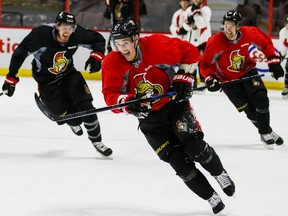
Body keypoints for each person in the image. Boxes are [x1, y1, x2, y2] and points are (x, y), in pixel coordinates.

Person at [101, 17, 235, 215]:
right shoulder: (112, 62)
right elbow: (110, 95)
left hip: (175, 106)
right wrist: (129, 104)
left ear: (136, 39)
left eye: (126, 42)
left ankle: (219, 173)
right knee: (180, 164)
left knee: (195, 148)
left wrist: (184, 76)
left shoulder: (156, 45)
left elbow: (190, 51)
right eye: (118, 43)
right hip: (150, 121)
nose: (122, 48)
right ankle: (210, 197)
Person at [1, 11, 113, 158]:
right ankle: (72, 121)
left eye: (71, 27)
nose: (68, 31)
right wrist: (11, 78)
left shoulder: (76, 34)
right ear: (56, 26)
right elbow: (19, 53)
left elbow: (97, 39)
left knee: (87, 108)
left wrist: (97, 56)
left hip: (69, 75)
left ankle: (97, 142)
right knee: (70, 116)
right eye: (64, 27)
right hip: (46, 81)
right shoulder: (40, 36)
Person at [200, 10, 284, 149]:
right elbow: (205, 65)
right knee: (249, 110)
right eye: (226, 25)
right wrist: (210, 78)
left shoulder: (249, 32)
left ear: (238, 26)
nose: (228, 29)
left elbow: (266, 43)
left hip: (247, 71)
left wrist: (273, 61)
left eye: (232, 25)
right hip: (227, 80)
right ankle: (268, 131)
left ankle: (264, 132)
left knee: (261, 97)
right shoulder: (215, 41)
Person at [182, 0, 212, 90]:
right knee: (191, 63)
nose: (196, 0)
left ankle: (203, 82)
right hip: (191, 41)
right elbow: (185, 26)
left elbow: (201, 24)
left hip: (203, 41)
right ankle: (192, 82)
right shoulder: (189, 10)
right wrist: (188, 22)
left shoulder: (206, 10)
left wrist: (196, 14)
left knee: (202, 63)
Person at [279, 15, 288, 97]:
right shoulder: (282, 32)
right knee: (287, 68)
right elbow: (284, 47)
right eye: (287, 23)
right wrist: (280, 57)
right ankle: (287, 87)